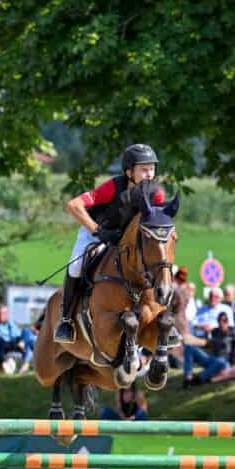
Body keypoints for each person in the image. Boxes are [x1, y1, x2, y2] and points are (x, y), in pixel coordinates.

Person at [55, 143, 166, 343]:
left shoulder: (156, 193)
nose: (150, 174)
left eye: (152, 168)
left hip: (127, 238)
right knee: (76, 267)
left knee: (159, 264)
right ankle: (66, 321)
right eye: (144, 169)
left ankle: (163, 317)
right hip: (96, 232)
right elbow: (73, 205)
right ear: (129, 171)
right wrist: (99, 231)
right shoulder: (113, 187)